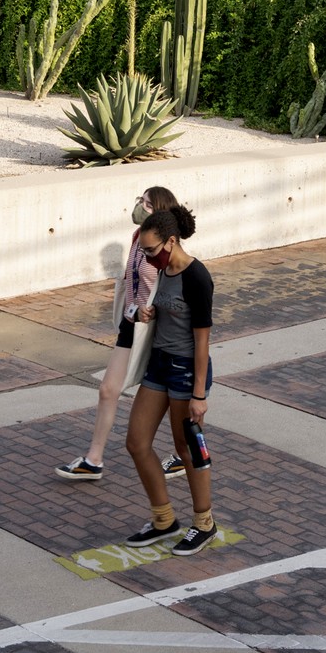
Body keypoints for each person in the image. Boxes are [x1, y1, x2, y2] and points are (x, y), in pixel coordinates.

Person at [56, 187, 186, 481]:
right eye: (140, 201)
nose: (140, 206)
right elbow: (132, 280)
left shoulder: (167, 248)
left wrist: (150, 312)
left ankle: (184, 454)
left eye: (147, 203)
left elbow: (173, 291)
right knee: (107, 389)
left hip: (156, 329)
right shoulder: (137, 237)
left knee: (173, 395)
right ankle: (94, 460)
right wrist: (130, 312)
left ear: (161, 212)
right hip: (132, 323)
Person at [123, 205, 218, 556]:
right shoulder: (162, 270)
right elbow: (155, 307)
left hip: (186, 370)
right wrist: (144, 311)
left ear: (171, 241)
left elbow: (202, 339)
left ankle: (204, 524)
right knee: (136, 442)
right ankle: (164, 519)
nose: (148, 258)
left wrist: (199, 395)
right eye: (144, 251)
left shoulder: (197, 277)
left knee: (187, 449)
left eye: (151, 250)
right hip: (159, 365)